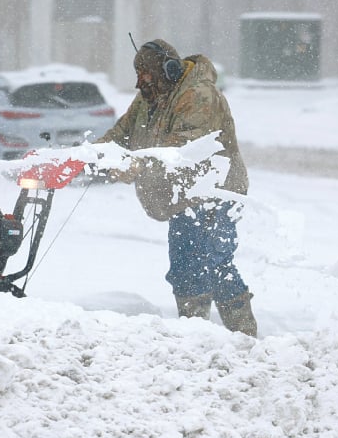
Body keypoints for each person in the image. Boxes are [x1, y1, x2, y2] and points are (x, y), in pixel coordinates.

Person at [95, 38, 257, 337]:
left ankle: (244, 340)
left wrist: (136, 165)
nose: (141, 81)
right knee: (185, 270)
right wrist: (90, 155)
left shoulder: (199, 95)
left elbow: (184, 148)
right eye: (139, 73)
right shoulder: (150, 96)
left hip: (215, 192)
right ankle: (193, 339)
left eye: (148, 74)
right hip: (184, 195)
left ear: (169, 70)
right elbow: (121, 134)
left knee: (214, 265)